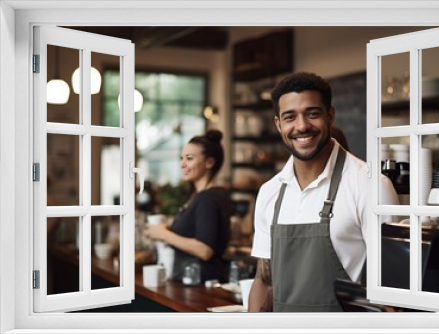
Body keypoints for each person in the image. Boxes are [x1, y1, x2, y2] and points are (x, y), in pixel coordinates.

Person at [248, 72, 399, 312]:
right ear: (278, 124)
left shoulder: (370, 185)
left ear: (330, 115)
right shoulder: (270, 192)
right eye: (290, 117)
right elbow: (264, 282)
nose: (302, 126)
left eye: (313, 114)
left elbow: (392, 290)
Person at [144, 130, 232, 283]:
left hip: (200, 285)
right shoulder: (202, 195)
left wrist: (163, 234)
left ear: (209, 162)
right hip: (194, 281)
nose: (182, 164)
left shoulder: (208, 198)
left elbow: (205, 250)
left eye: (189, 159)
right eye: (181, 158)